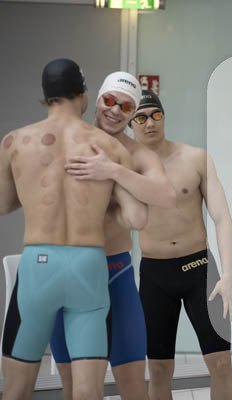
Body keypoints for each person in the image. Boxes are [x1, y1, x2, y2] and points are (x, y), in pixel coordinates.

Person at [0, 58, 147, 400]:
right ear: (84, 97)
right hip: (89, 268)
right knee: (87, 392)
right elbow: (137, 218)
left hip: (38, 269)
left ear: (45, 96)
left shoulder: (14, 142)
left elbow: (3, 204)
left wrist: (36, 190)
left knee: (17, 390)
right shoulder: (110, 148)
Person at [50, 72, 176, 400]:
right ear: (97, 100)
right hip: (68, 273)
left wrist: (113, 170)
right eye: (109, 101)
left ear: (132, 113)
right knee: (74, 390)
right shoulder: (66, 141)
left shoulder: (138, 154)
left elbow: (166, 195)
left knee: (134, 388)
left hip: (114, 272)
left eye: (126, 106)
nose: (115, 110)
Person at [131, 90, 232, 400]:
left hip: (199, 269)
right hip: (155, 275)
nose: (150, 123)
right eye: (141, 118)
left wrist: (228, 276)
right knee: (158, 370)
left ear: (164, 117)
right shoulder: (127, 168)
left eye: (156, 115)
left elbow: (222, 219)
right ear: (131, 124)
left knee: (221, 363)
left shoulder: (195, 158)